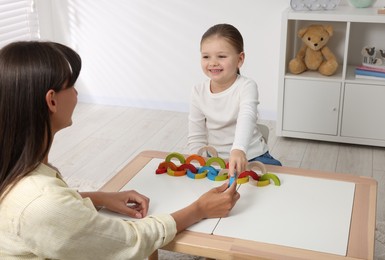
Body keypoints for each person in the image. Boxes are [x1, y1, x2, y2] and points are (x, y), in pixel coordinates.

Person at [0, 41, 240, 259]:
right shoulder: (42, 201)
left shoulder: (19, 172)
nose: (76, 93)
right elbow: (129, 240)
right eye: (72, 85)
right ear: (51, 101)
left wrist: (99, 197)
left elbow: (52, 213)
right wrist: (198, 209)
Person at [188, 24, 282, 177]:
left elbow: (247, 116)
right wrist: (197, 162)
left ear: (240, 59)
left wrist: (238, 149)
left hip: (252, 155)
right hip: (216, 160)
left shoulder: (246, 86)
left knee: (278, 179)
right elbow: (196, 136)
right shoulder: (197, 91)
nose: (213, 63)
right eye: (206, 56)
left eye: (222, 56)